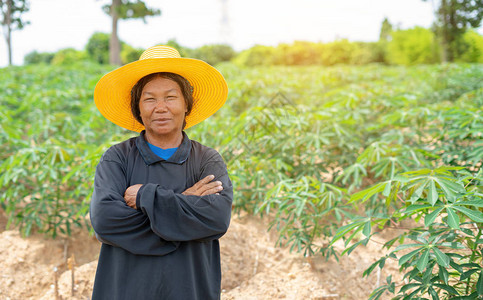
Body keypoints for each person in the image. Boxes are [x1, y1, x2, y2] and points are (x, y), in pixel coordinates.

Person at [89, 45, 233, 300]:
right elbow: (105, 220)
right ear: (138, 108)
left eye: (170, 97)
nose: (161, 107)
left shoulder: (206, 160)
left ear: (187, 104)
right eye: (149, 99)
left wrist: (147, 197)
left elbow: (216, 219)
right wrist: (185, 205)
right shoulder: (117, 158)